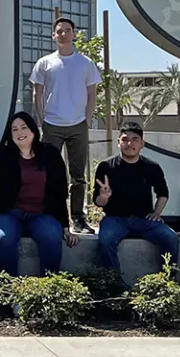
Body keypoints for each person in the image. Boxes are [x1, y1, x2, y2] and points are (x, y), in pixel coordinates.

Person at [0, 111, 78, 275]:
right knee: (4, 238)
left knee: (53, 236)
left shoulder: (50, 154)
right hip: (8, 214)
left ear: (33, 130)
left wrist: (66, 228)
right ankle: (9, 289)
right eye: (14, 129)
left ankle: (47, 288)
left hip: (40, 215)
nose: (19, 133)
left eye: (24, 127)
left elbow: (59, 194)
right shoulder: (3, 156)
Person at [29, 16, 102, 234]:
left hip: (78, 124)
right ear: (53, 35)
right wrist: (42, 119)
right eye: (59, 31)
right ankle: (49, 215)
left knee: (78, 175)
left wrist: (87, 120)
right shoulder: (45, 63)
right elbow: (37, 92)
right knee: (48, 172)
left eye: (67, 30)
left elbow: (92, 95)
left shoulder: (86, 63)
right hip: (51, 124)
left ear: (74, 34)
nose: (63, 34)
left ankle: (78, 218)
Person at [91, 120, 179, 275]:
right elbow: (98, 202)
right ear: (118, 142)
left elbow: (163, 193)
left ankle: (166, 283)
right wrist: (104, 196)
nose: (129, 143)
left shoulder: (152, 167)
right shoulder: (106, 167)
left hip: (144, 219)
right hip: (115, 219)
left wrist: (156, 213)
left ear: (142, 144)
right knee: (106, 241)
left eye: (134, 140)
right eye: (124, 139)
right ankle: (115, 285)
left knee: (170, 238)